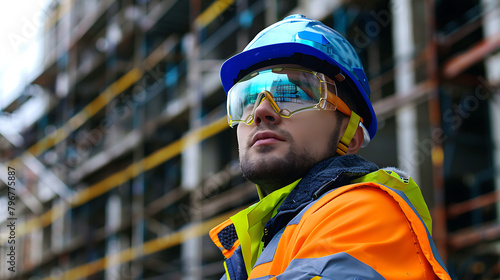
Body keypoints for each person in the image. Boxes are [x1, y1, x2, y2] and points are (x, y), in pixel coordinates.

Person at [209, 14, 452, 280]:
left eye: (293, 93)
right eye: (247, 98)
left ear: (351, 137)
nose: (261, 110)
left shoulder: (366, 215)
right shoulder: (256, 248)